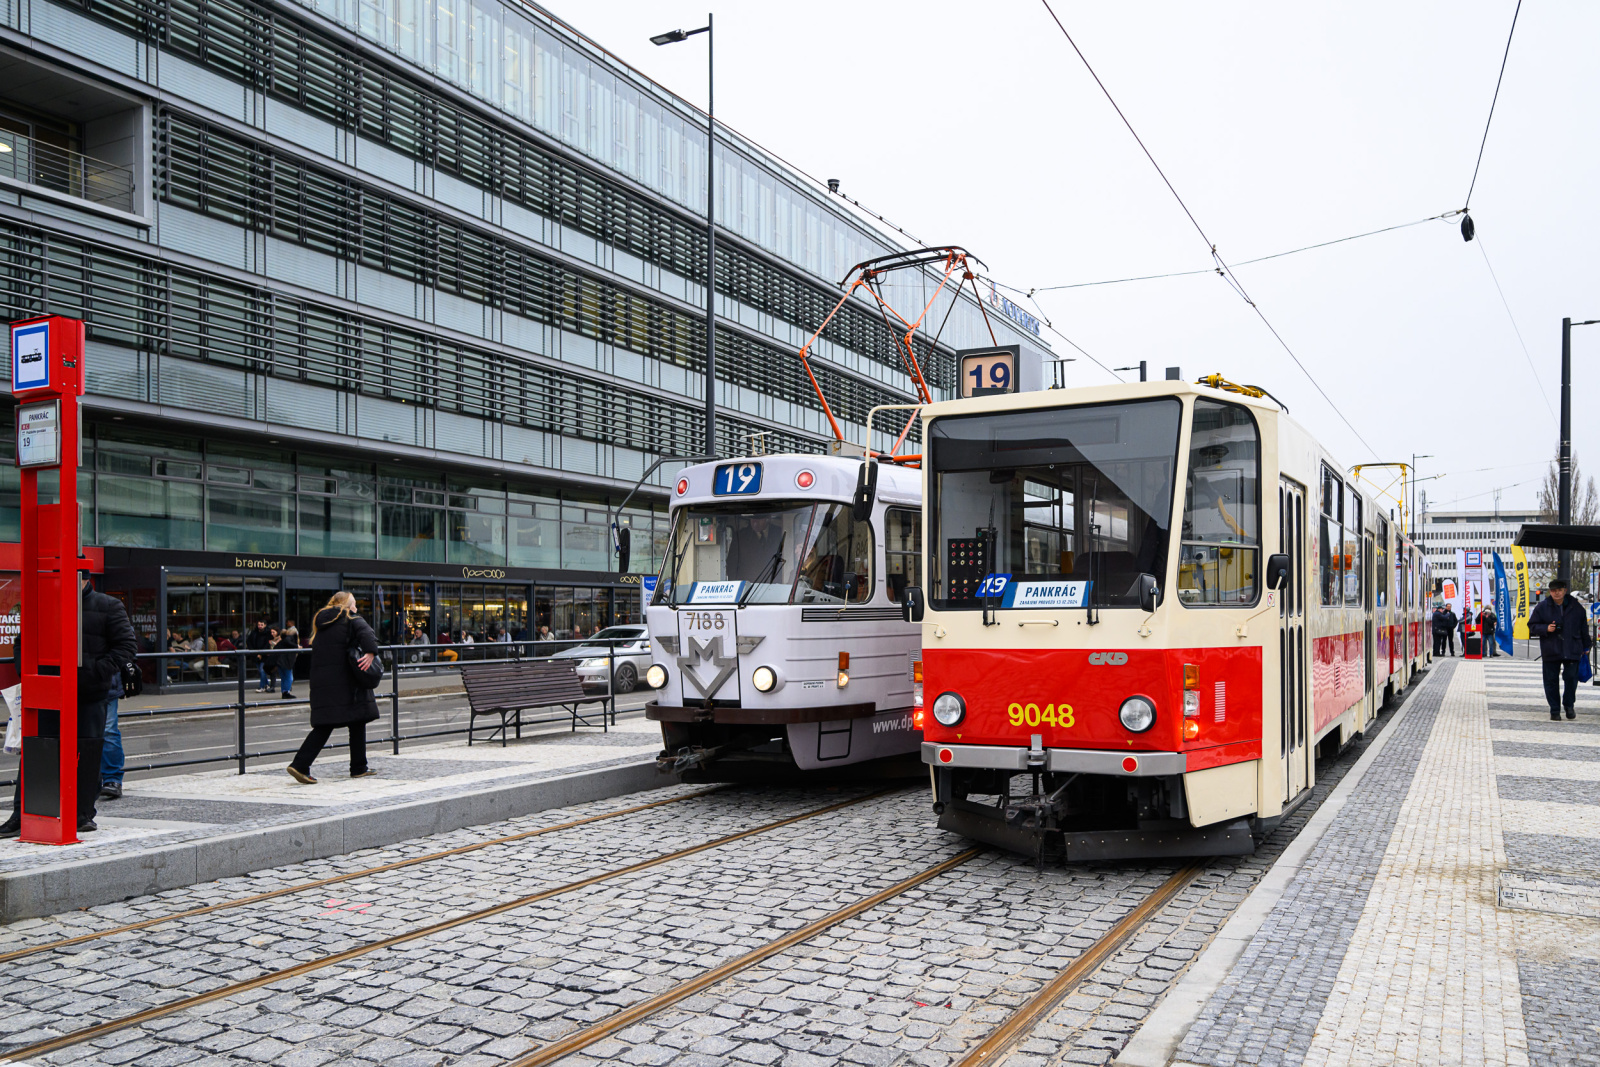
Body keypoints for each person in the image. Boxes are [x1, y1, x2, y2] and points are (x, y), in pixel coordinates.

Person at [0, 574, 137, 836]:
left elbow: (126, 646)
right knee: (38, 749)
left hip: (89, 692)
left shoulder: (108, 605)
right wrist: (26, 673)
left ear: (83, 578)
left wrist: (96, 672)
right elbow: (22, 642)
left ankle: (82, 814)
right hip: (48, 689)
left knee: (87, 753)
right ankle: (23, 813)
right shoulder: (45, 605)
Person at [287, 592, 379, 784]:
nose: (356, 608)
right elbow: (368, 635)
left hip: (323, 682)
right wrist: (370, 653)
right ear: (347, 605)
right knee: (340, 722)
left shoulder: (321, 623)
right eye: (354, 604)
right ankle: (301, 764)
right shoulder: (351, 618)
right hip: (347, 681)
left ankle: (359, 767)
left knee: (347, 720)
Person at [1529, 578, 1592, 721]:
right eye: (1553, 591)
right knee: (1550, 681)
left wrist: (1586, 646)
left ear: (1565, 591)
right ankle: (1555, 709)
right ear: (1550, 592)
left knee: (1571, 678)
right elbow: (1532, 626)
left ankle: (1569, 705)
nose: (1556, 593)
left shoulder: (1576, 607)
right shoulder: (1542, 607)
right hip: (1551, 648)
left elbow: (1583, 628)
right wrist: (1545, 628)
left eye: (1559, 590)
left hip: (1572, 647)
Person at [246, 619, 272, 692]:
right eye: (258, 625)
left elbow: (267, 644)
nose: (260, 626)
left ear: (265, 625)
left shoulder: (268, 633)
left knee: (262, 670)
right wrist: (253, 651)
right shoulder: (254, 632)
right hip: (255, 654)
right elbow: (249, 641)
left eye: (261, 625)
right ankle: (266, 684)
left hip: (264, 655)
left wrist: (261, 653)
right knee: (260, 670)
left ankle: (262, 686)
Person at [278, 621, 301, 698]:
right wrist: (296, 646)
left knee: (284, 677)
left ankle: (284, 691)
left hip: (280, 661)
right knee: (289, 677)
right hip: (286, 662)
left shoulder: (282, 642)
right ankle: (286, 692)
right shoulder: (290, 640)